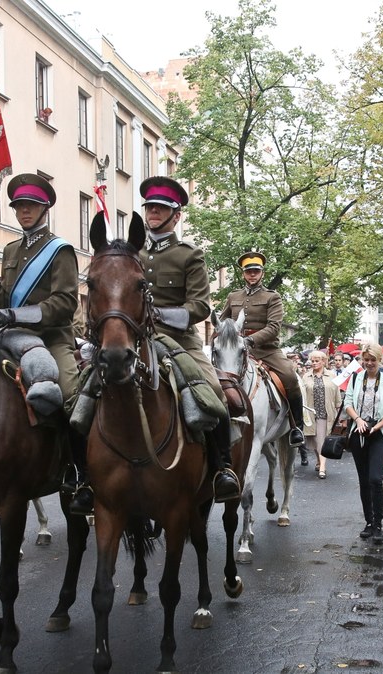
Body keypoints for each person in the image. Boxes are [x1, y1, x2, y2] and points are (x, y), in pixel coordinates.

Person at [0, 173, 91, 513]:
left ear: (44, 208)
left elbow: (64, 303)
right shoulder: (11, 249)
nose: (24, 211)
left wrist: (18, 315)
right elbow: (4, 299)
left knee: (72, 392)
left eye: (30, 205)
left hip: (52, 336)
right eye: (18, 206)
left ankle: (80, 472)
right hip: (14, 336)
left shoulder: (60, 251)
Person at [135, 176, 240, 502]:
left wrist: (160, 316)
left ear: (175, 215)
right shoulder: (132, 253)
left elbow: (198, 307)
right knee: (90, 382)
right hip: (135, 336)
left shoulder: (189, 255)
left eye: (160, 208)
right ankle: (84, 472)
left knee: (213, 393)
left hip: (180, 340)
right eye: (150, 207)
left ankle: (222, 467)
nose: (153, 212)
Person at [219, 251, 307, 456]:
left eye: (256, 271)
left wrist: (249, 340)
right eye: (248, 271)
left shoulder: (272, 297)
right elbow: (223, 322)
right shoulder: (233, 296)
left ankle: (296, 428)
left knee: (290, 378)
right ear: (243, 274)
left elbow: (274, 327)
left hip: (266, 350)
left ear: (262, 273)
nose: (252, 274)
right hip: (237, 352)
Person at [343, 341, 383, 542]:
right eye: (366, 360)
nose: (369, 363)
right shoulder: (356, 379)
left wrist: (377, 426)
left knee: (375, 478)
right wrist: (357, 419)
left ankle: (379, 523)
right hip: (359, 433)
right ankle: (368, 522)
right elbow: (348, 402)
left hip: (378, 433)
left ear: (379, 360)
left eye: (373, 360)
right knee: (364, 480)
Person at [301, 349, 341, 478]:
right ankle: (319, 461)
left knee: (321, 440)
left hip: (326, 412)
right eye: (312, 361)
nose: (313, 363)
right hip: (310, 413)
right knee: (313, 440)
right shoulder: (306, 376)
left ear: (323, 362)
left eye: (317, 361)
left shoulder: (332, 376)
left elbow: (337, 396)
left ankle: (322, 467)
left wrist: (340, 415)